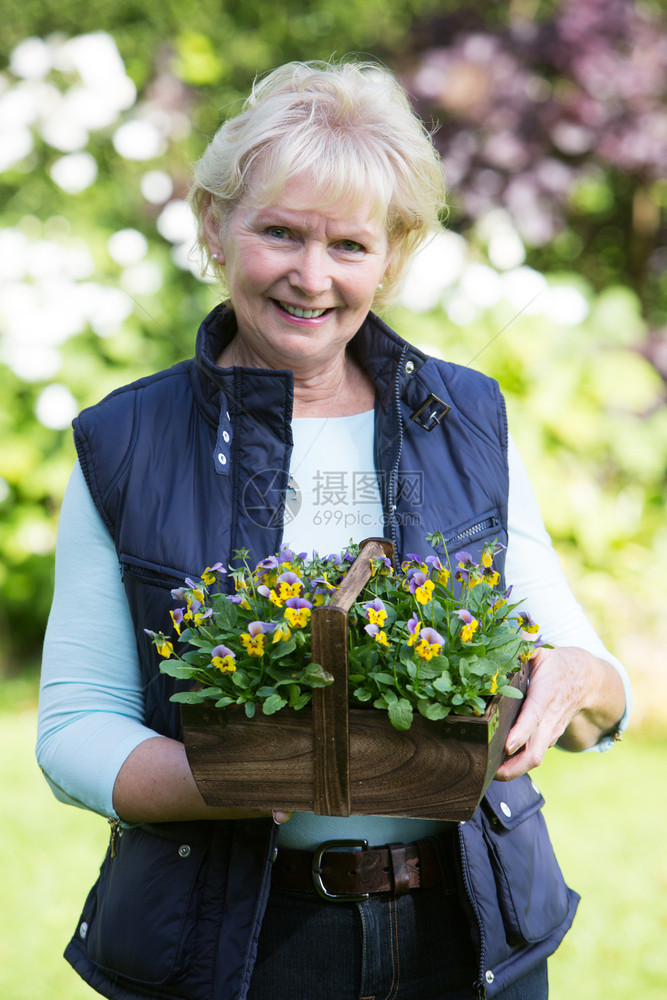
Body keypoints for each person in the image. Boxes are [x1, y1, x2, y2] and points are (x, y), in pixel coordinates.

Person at [37, 59, 630, 1000]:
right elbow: (73, 729)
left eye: (348, 246)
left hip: (467, 937)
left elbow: (589, 678)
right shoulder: (126, 440)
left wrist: (577, 682)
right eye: (279, 233)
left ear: (389, 257)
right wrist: (249, 772)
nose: (311, 278)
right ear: (215, 230)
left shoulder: (464, 416)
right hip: (236, 946)